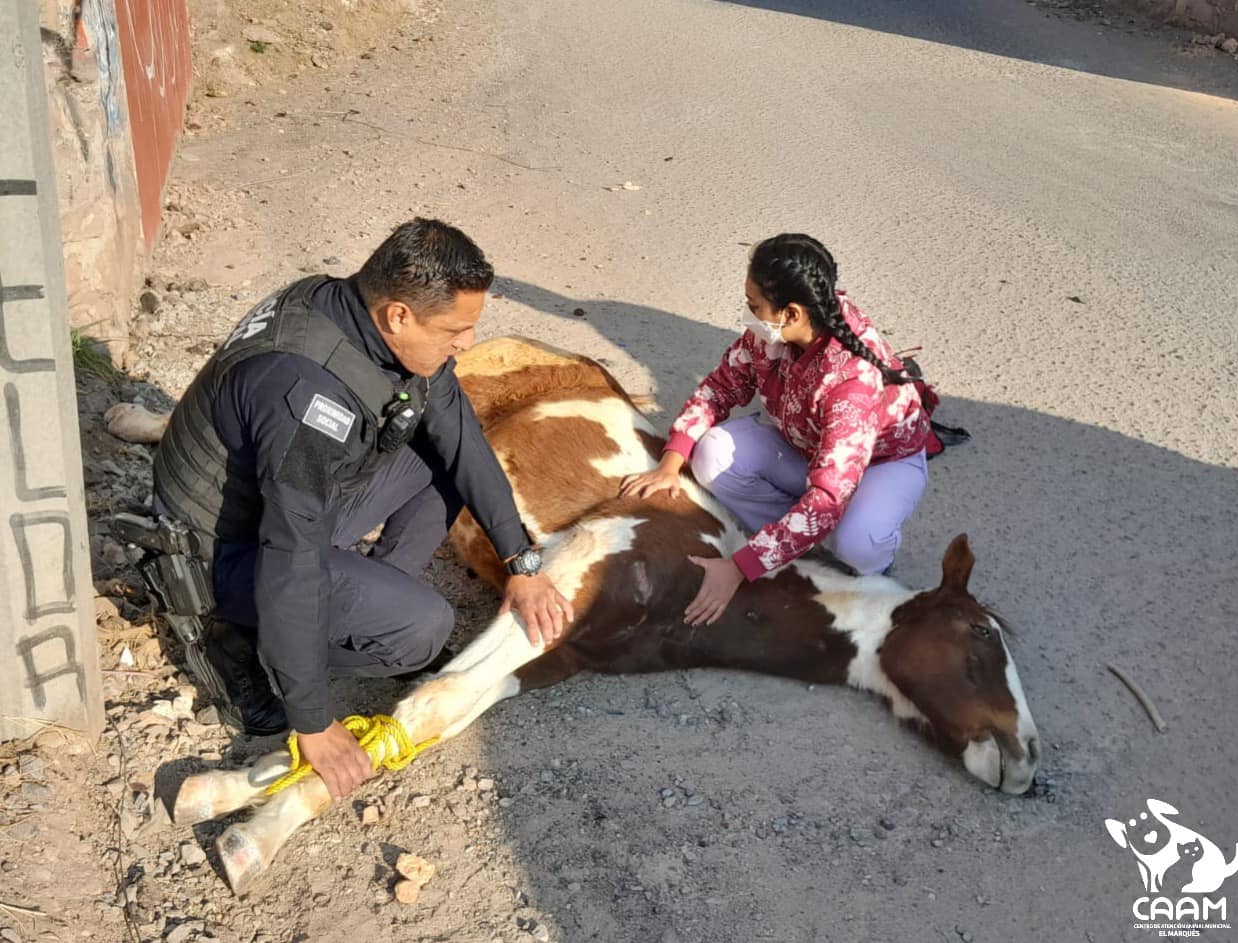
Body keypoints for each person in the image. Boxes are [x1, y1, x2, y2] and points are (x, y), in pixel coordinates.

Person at [153, 218, 573, 799]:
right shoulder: (304, 395)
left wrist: (522, 562)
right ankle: (237, 643)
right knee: (423, 630)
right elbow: (290, 557)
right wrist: (313, 720)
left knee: (439, 463)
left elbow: (461, 439)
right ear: (398, 315)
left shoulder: (355, 309)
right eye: (458, 329)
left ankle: (361, 604)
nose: (468, 343)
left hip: (283, 505)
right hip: (222, 551)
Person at [621, 233, 932, 625]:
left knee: (859, 543)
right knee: (711, 455)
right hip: (807, 448)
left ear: (792, 314)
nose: (748, 316)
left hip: (881, 465)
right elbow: (720, 387)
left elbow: (827, 496)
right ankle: (796, 538)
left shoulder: (851, 382)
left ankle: (843, 552)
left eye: (754, 306)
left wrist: (738, 567)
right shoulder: (774, 333)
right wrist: (670, 461)